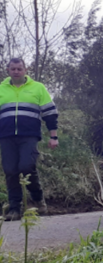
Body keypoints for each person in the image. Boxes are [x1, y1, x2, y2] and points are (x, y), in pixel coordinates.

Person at [0, 58, 58, 220]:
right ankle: (14, 209)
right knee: (10, 171)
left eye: (19, 68)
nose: (16, 71)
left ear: (25, 70)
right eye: (13, 69)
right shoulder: (1, 89)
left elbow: (50, 113)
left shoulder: (38, 88)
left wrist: (53, 136)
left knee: (26, 166)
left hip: (29, 135)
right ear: (8, 71)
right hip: (6, 136)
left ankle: (38, 199)